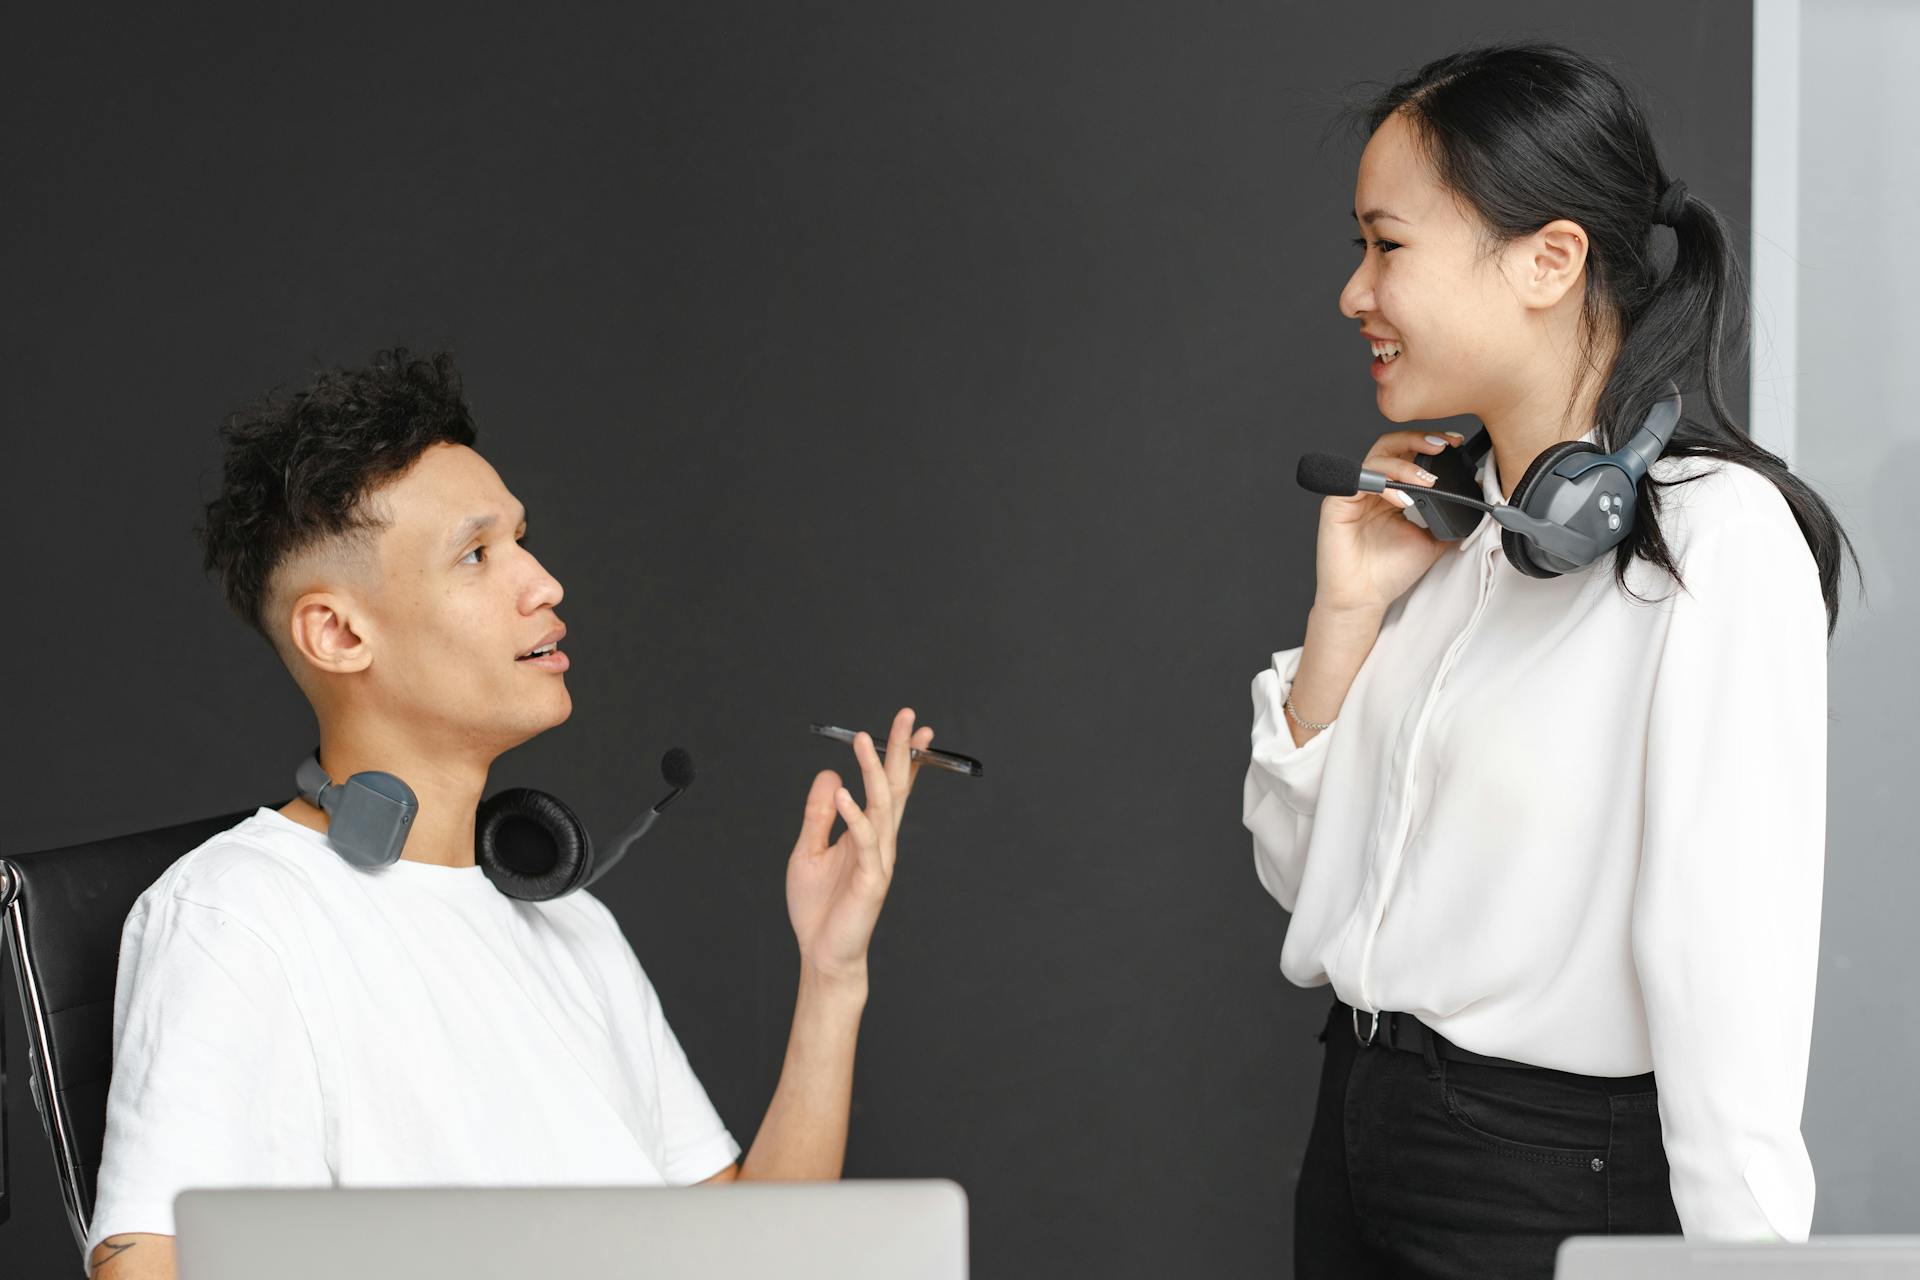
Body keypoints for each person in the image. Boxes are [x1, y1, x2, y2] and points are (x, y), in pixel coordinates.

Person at [84, 350, 937, 1278]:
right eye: (477, 554)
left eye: (523, 541)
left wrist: (832, 971)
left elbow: (753, 1258)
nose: (543, 584)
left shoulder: (572, 925)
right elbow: (148, 1266)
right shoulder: (235, 919)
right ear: (337, 633)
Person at [1242, 44, 1857, 1279]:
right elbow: (1302, 882)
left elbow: (1726, 976)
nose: (1354, 292)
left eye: (1388, 245)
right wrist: (1345, 617)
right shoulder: (1456, 538)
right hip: (1360, 1125)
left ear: (1550, 258)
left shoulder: (1716, 543)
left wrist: (1749, 1266)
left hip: (1539, 1175)